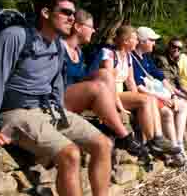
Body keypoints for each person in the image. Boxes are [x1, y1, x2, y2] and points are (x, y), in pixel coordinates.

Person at [0, 0, 119, 196]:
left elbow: (55, 87)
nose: (72, 18)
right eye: (65, 12)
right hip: (15, 112)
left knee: (103, 144)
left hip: (48, 111)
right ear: (45, 12)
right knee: (70, 154)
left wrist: (64, 118)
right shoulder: (15, 36)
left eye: (73, 14)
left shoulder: (55, 45)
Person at [62, 10, 145, 157]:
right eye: (91, 26)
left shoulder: (79, 52)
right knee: (101, 82)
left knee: (105, 74)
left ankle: (142, 137)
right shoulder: (59, 48)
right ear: (78, 27)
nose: (94, 30)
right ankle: (124, 136)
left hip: (78, 93)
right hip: (62, 98)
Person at [95, 26, 178, 156]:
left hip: (120, 93)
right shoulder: (109, 54)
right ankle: (152, 141)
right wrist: (120, 107)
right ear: (126, 41)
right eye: (134, 39)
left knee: (149, 99)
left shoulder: (127, 57)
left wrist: (136, 97)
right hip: (107, 94)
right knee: (145, 100)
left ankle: (157, 138)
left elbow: (130, 81)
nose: (137, 42)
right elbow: (108, 82)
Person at [131, 27, 187, 167]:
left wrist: (173, 95)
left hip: (157, 94)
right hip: (147, 95)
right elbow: (138, 87)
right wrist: (163, 98)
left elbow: (161, 78)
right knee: (167, 113)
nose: (154, 43)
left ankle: (178, 146)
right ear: (141, 41)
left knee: (184, 105)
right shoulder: (133, 59)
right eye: (152, 40)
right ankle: (176, 153)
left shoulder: (147, 57)